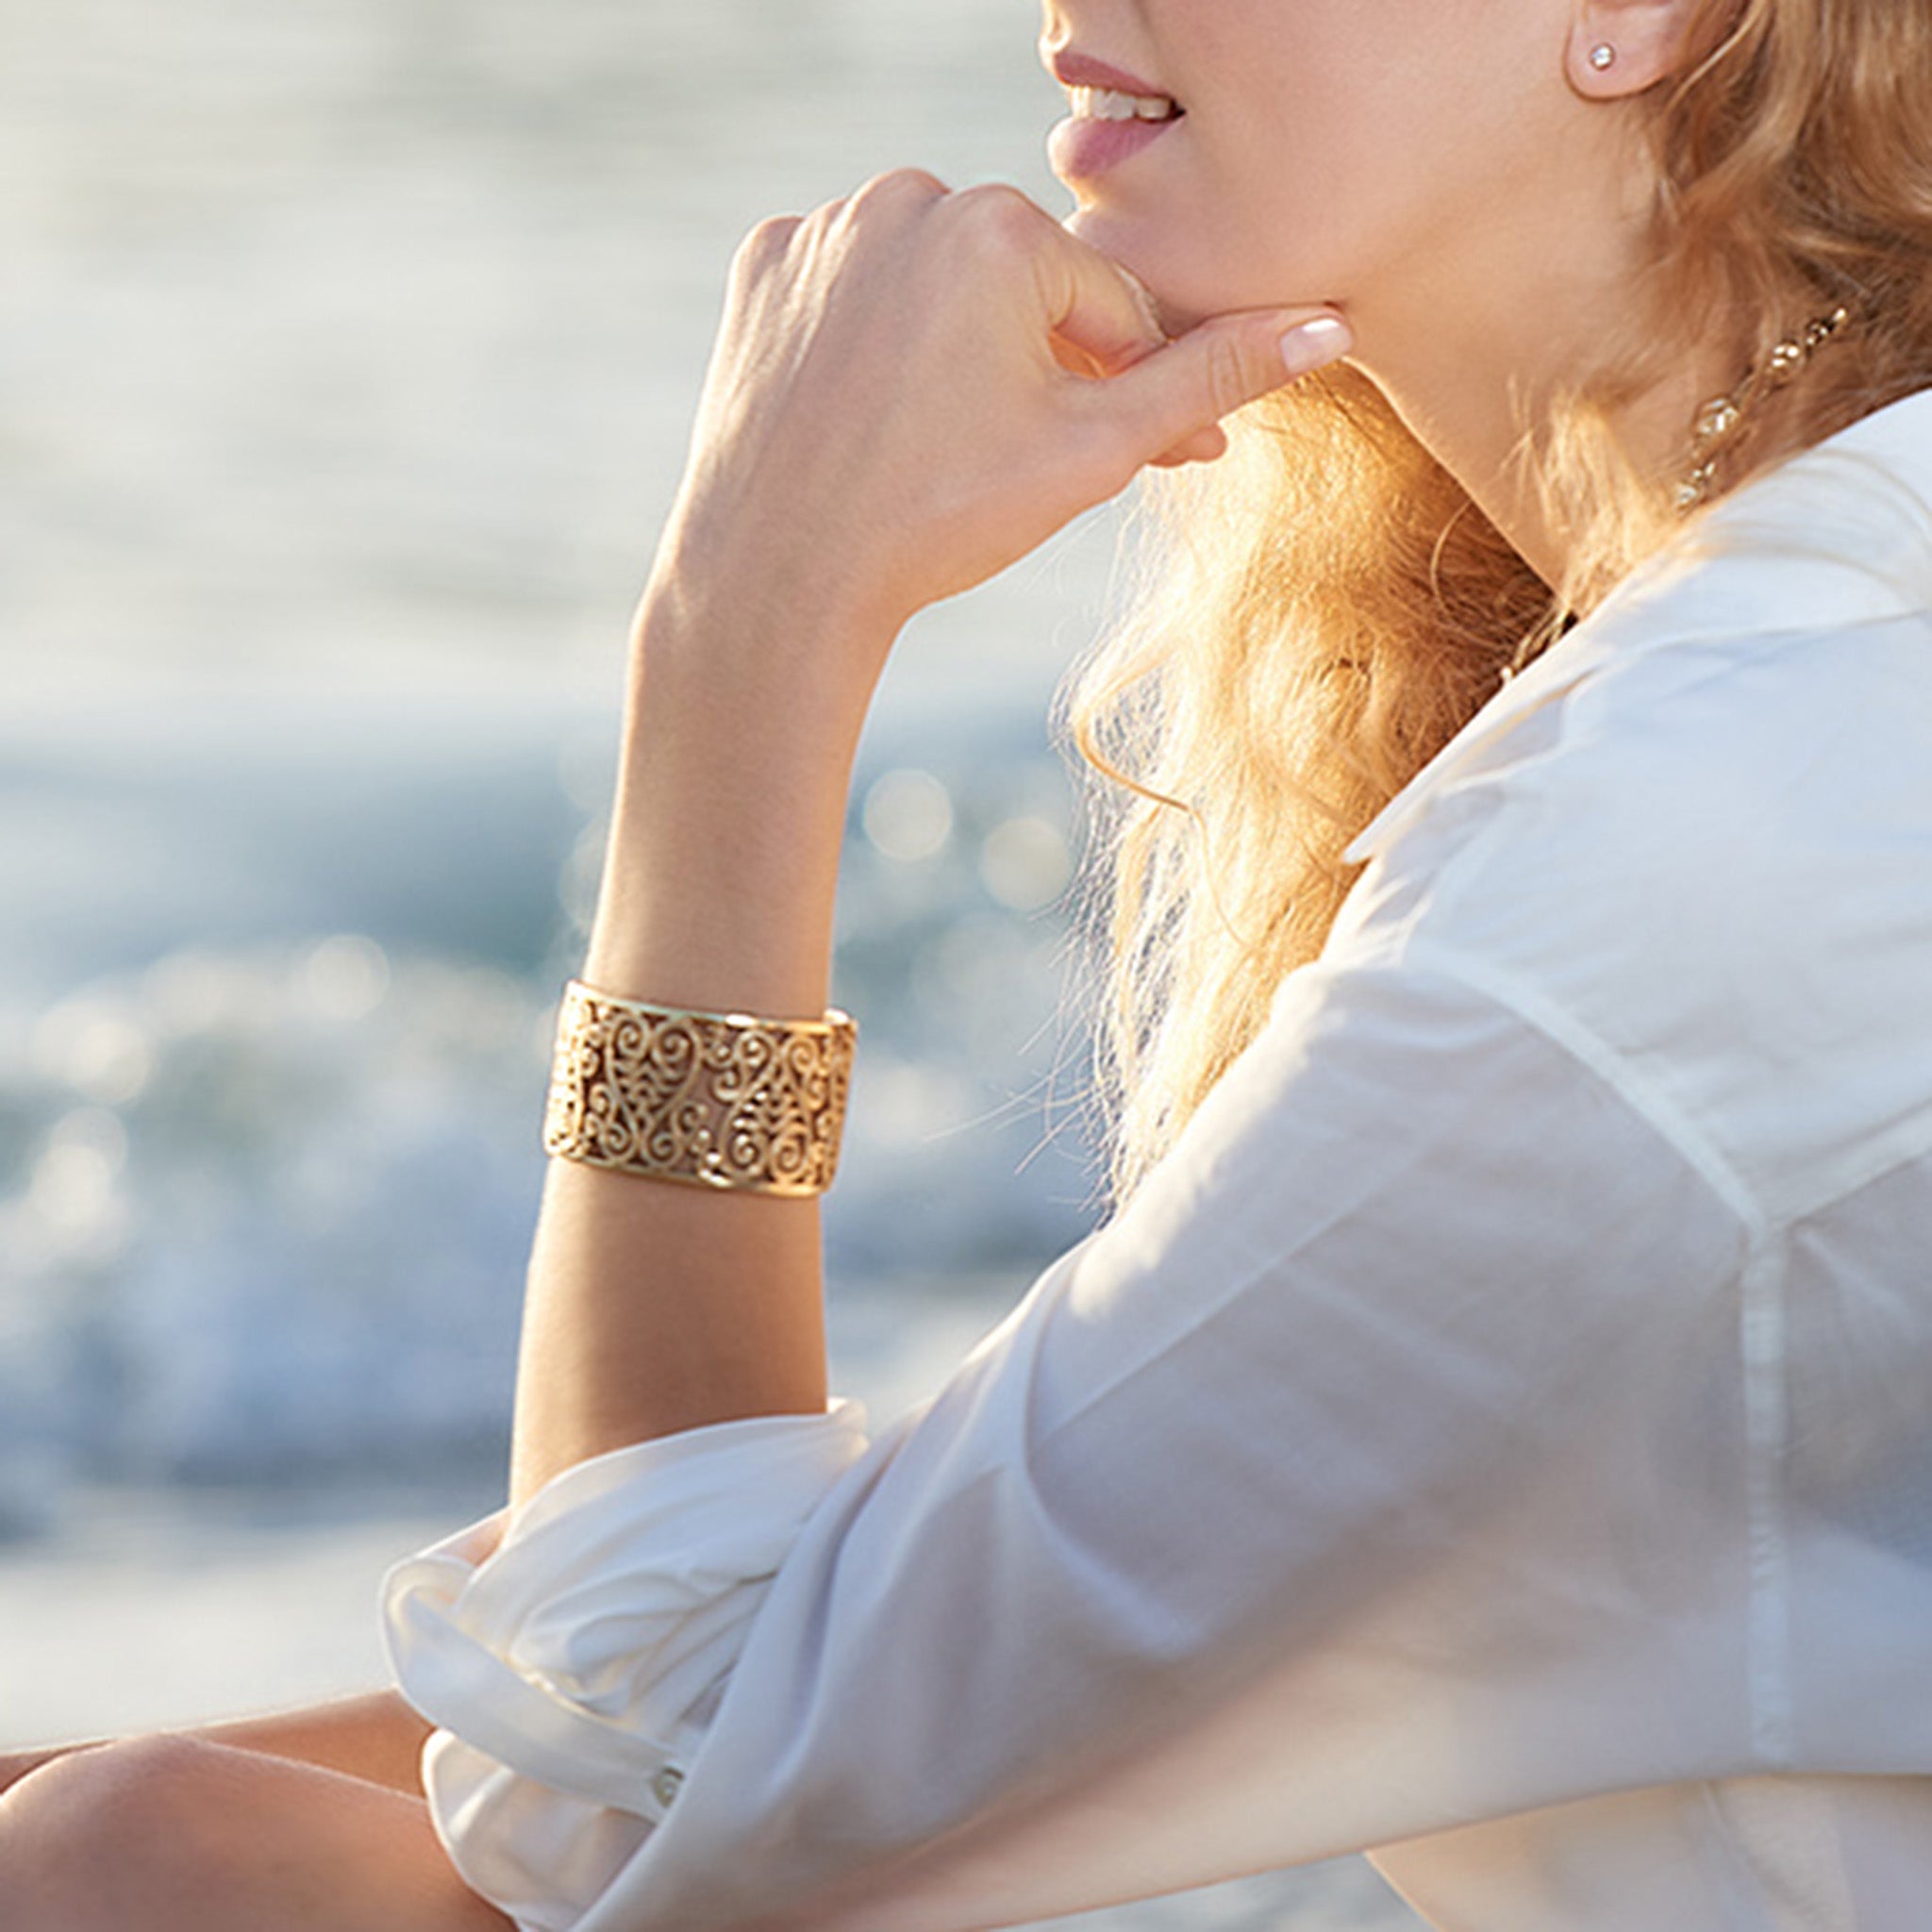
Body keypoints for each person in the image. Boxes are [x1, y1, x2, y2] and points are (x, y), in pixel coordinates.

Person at [3, 0, 1929, 1925]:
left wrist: (748, 625)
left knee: (138, 1869)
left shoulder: (1685, 850)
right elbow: (941, 1638)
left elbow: (640, 1795)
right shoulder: (1802, 668)